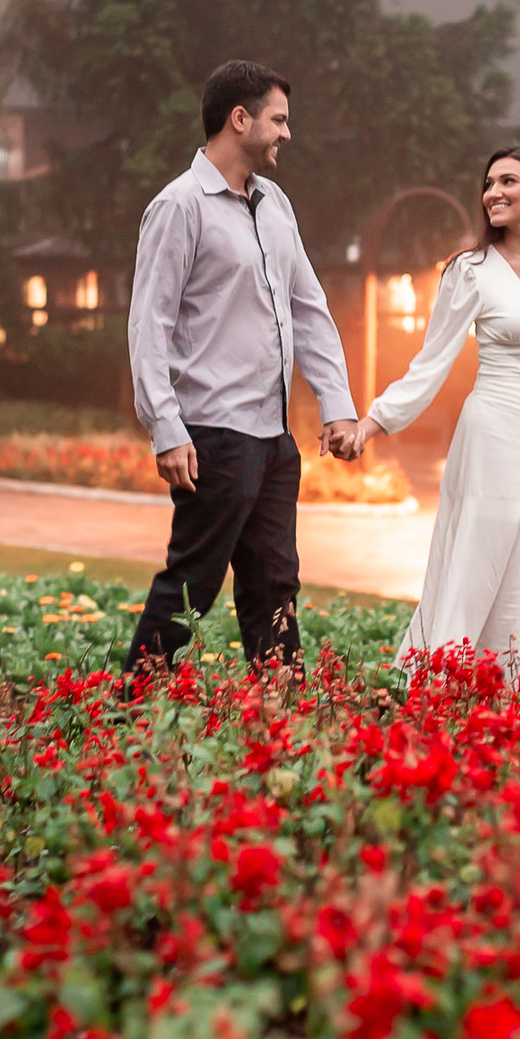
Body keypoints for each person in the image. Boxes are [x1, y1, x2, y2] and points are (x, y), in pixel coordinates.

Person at [124, 60, 358, 678]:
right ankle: (131, 713)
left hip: (274, 439)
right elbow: (150, 325)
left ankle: (281, 711)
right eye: (278, 120)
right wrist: (166, 429)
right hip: (212, 434)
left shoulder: (275, 204)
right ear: (240, 119)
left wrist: (337, 404)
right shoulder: (179, 207)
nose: (286, 133)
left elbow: (309, 309)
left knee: (276, 582)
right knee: (192, 585)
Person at [346, 145, 520, 683]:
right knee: (476, 559)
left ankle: (505, 692)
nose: (494, 193)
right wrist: (372, 422)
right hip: (493, 430)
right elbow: (431, 362)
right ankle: (438, 684)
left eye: (508, 181)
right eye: (488, 184)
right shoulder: (471, 269)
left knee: (517, 569)